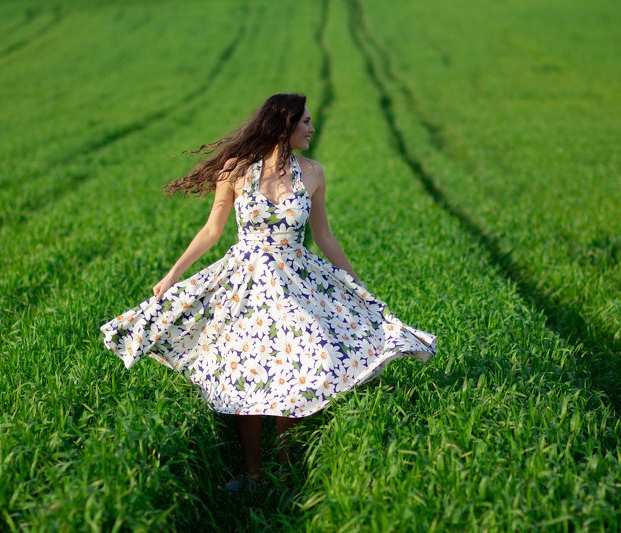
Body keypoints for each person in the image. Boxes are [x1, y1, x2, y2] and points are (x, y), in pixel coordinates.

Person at [100, 93, 437, 493]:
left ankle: (283, 468)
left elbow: (323, 237)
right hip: (244, 284)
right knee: (243, 369)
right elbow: (212, 231)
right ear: (285, 125)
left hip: (295, 281)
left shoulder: (313, 173)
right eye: (306, 122)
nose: (312, 129)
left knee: (297, 365)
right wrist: (174, 273)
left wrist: (356, 283)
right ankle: (253, 472)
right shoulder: (236, 171)